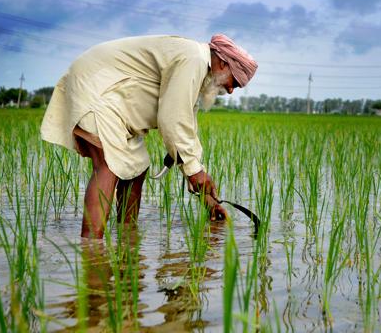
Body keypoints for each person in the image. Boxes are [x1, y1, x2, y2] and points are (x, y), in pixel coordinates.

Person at [40, 34, 258, 239]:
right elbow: (172, 119)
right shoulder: (193, 60)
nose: (230, 91)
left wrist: (208, 199)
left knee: (137, 167)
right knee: (108, 165)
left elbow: (185, 130)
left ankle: (127, 236)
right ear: (222, 64)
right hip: (97, 89)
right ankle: (92, 249)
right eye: (235, 82)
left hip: (114, 103)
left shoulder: (195, 70)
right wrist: (195, 172)